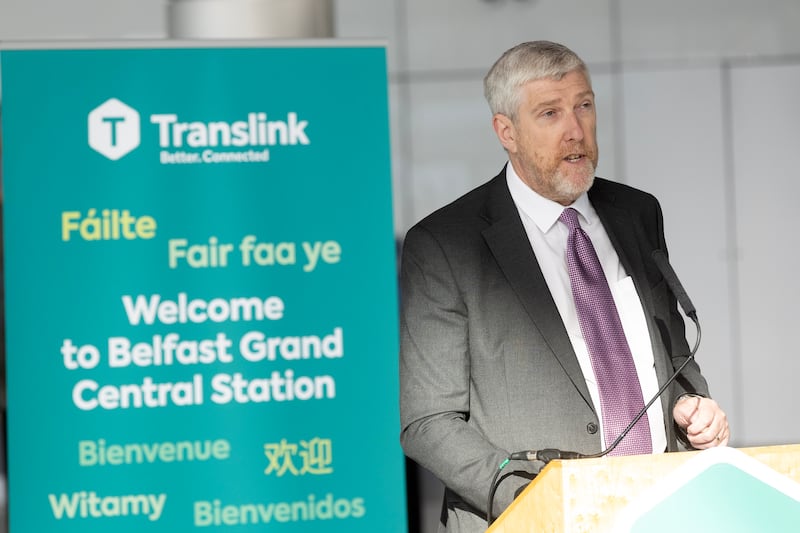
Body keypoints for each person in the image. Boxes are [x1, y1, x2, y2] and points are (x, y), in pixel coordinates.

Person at [398, 40, 729, 532]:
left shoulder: (638, 213)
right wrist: (541, 501)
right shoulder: (446, 244)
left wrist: (692, 407)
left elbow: (673, 357)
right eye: (550, 113)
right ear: (506, 131)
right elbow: (428, 423)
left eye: (584, 106)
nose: (576, 130)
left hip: (659, 508)